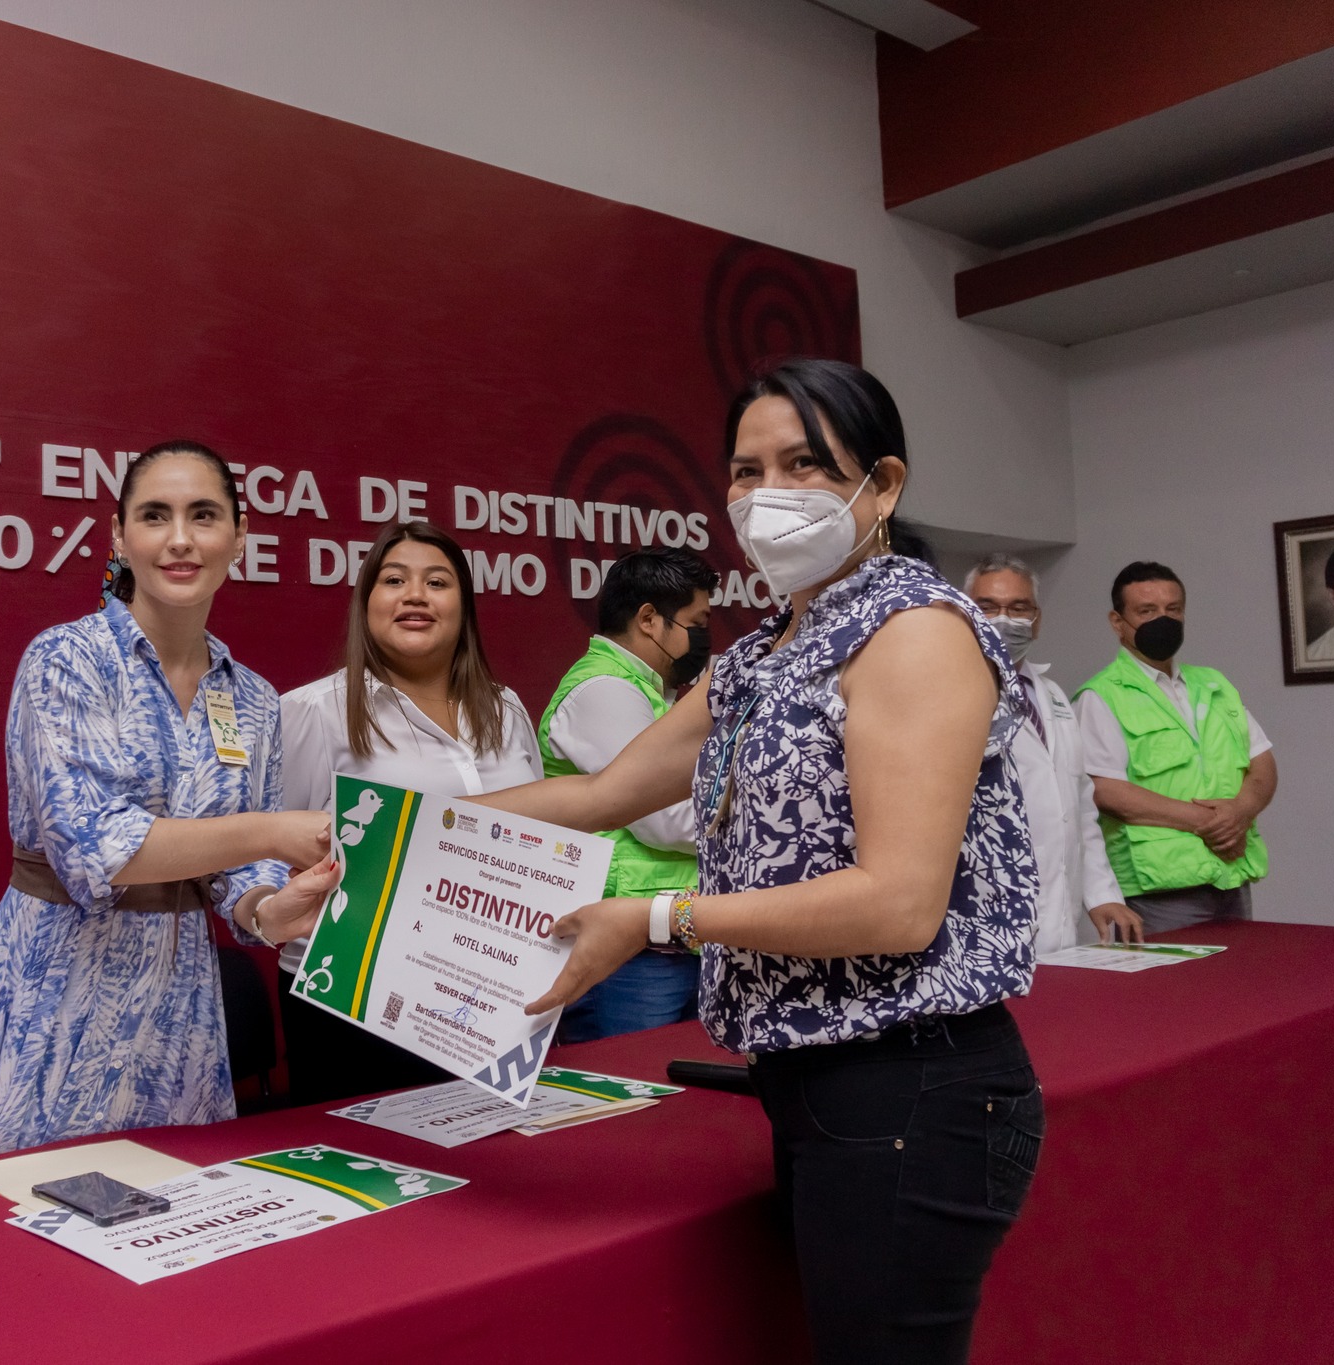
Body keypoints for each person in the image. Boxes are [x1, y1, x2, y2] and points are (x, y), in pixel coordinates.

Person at [479, 357, 1042, 1364]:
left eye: (802, 465)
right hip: (812, 1080)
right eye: (744, 470)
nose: (765, 494)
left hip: (911, 1085)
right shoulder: (758, 657)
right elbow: (599, 795)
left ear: (882, 484)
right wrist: (366, 842)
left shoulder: (910, 634)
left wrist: (656, 920)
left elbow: (898, 904)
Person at [0, 441, 338, 1164]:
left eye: (204, 515)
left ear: (238, 539)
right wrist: (271, 831)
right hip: (48, 1001)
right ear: (119, 536)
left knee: (173, 1244)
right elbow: (97, 848)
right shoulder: (65, 660)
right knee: (18, 1242)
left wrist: (269, 911)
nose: (180, 538)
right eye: (155, 515)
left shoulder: (253, 699)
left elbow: (238, 878)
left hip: (180, 1018)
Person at [278, 520, 542, 1104]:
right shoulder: (313, 713)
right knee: (382, 1185)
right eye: (394, 580)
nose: (416, 595)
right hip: (357, 1006)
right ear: (367, 603)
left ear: (464, 607)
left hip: (494, 995)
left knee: (500, 1174)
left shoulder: (506, 709)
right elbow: (264, 860)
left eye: (438, 582)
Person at [540, 547, 718, 1042]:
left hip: (671, 937)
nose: (703, 637)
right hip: (630, 955)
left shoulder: (650, 694)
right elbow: (664, 818)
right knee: (632, 1092)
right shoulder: (603, 691)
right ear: (648, 619)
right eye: (696, 621)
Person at [1073, 562, 1275, 934]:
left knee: (1240, 986)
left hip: (1230, 876)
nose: (1162, 620)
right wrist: (1212, 823)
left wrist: (1241, 811)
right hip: (1158, 891)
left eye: (1173, 609)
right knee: (1177, 992)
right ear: (1117, 622)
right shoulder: (1101, 696)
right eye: (1147, 611)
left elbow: (1262, 763)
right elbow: (1106, 791)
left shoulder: (1215, 684)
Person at [963, 555, 1141, 953]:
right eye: (987, 607)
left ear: (1037, 620)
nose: (1004, 619)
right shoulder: (947, 691)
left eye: (1019, 608)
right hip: (983, 920)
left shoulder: (1053, 695)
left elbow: (1078, 806)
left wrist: (1101, 894)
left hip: (1060, 919)